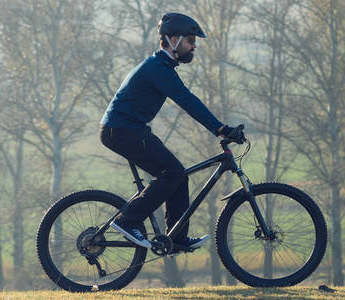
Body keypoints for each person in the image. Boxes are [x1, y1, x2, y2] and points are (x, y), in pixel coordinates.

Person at [99, 12, 244, 252]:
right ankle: (127, 220)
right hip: (122, 130)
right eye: (190, 40)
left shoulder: (162, 66)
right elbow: (188, 101)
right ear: (173, 39)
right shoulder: (158, 68)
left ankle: (175, 238)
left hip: (128, 129)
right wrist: (220, 129)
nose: (194, 46)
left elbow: (187, 100)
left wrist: (219, 128)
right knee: (173, 173)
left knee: (178, 174)